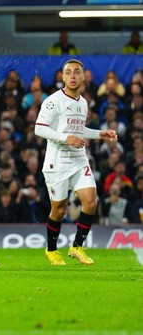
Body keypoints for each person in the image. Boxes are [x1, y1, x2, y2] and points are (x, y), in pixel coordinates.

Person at [35, 59, 117, 266]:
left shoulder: (83, 102)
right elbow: (39, 128)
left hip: (79, 160)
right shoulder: (53, 101)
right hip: (57, 163)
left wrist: (101, 134)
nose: (72, 76)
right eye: (68, 72)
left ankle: (77, 247)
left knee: (90, 201)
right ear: (62, 77)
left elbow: (79, 130)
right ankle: (52, 250)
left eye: (76, 72)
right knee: (59, 210)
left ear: (83, 77)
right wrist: (66, 138)